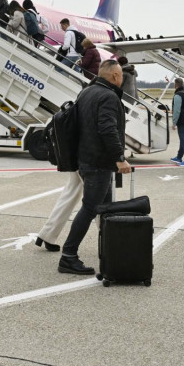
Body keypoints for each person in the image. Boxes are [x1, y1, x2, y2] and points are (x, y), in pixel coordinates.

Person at [58, 60, 133, 275]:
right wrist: (120, 158)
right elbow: (107, 129)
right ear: (115, 76)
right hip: (98, 162)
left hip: (88, 158)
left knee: (106, 207)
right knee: (90, 208)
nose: (122, 79)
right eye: (121, 75)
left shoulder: (87, 91)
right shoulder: (108, 96)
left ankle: (110, 247)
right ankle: (68, 255)